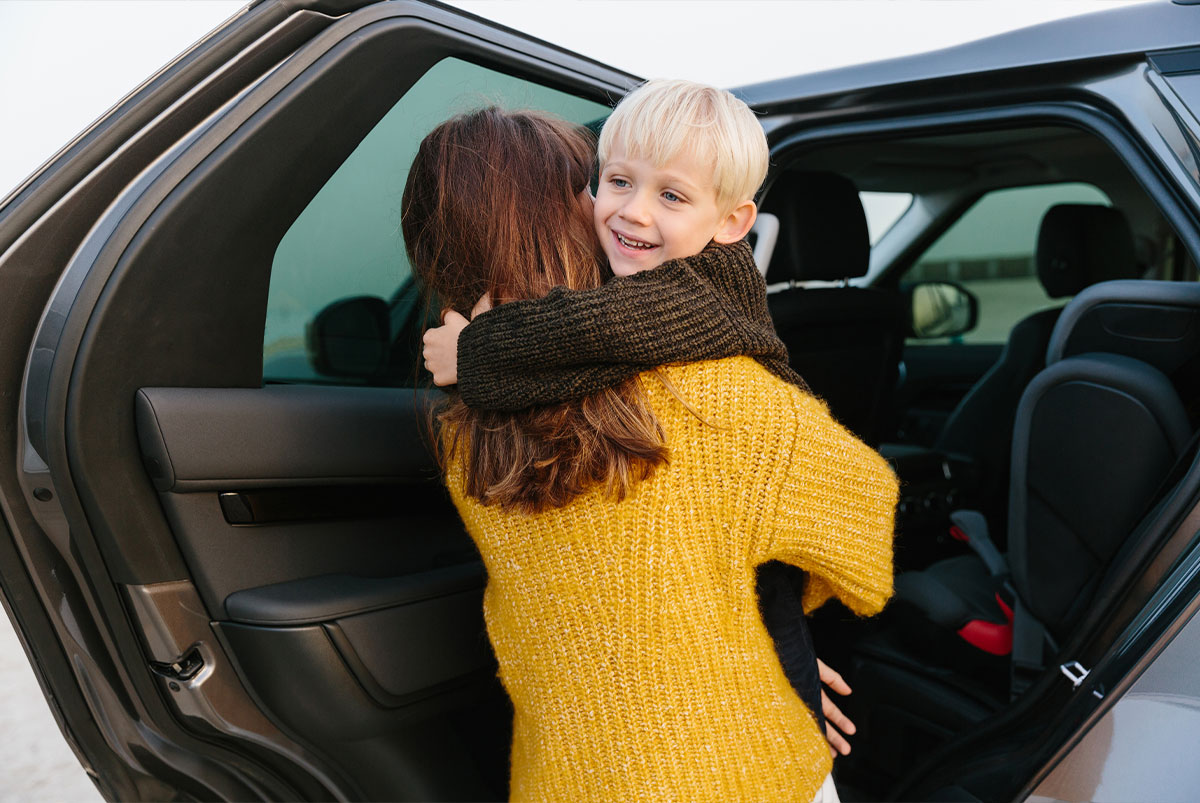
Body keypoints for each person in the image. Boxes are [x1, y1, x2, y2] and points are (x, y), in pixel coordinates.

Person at [403, 104, 897, 801]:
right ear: (565, 212)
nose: (625, 211)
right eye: (603, 182)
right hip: (742, 768)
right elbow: (862, 516)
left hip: (577, 773)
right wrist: (775, 654)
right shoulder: (710, 392)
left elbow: (614, 597)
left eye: (666, 194)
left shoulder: (466, 424)